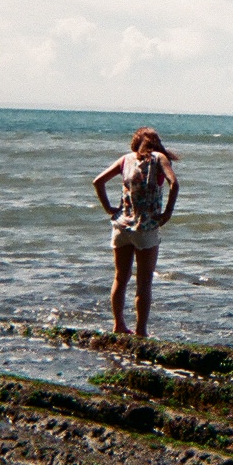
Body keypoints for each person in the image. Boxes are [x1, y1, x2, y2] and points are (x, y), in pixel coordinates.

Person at [92, 126, 179, 336]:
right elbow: (174, 183)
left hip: (122, 226)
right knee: (144, 282)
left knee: (120, 278)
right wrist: (167, 212)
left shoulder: (125, 160)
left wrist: (109, 209)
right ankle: (141, 331)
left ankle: (118, 325)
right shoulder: (159, 158)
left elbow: (98, 182)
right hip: (146, 228)